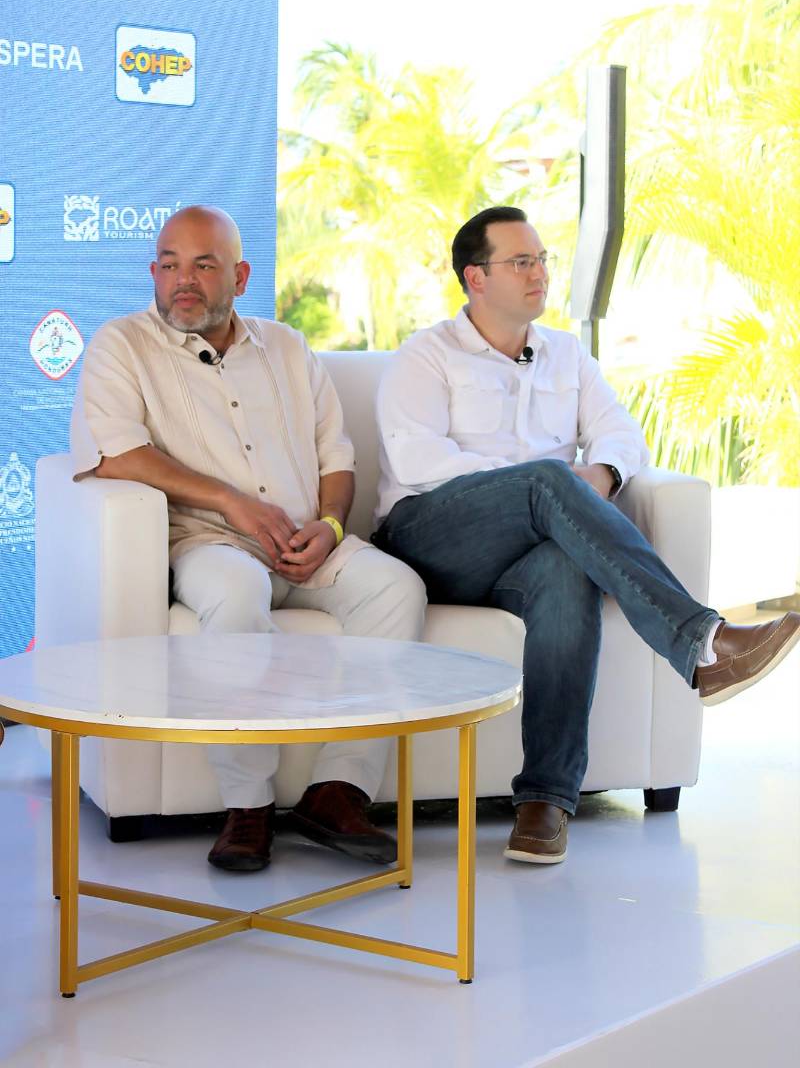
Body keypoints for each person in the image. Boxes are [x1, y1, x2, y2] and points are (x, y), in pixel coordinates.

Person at [372, 205, 800, 866]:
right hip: (431, 540)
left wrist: (597, 476)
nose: (540, 273)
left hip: (525, 554)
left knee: (567, 573)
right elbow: (418, 461)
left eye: (542, 259)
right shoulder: (425, 356)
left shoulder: (567, 355)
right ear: (475, 278)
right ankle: (702, 641)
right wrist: (541, 486)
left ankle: (545, 801)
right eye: (521, 261)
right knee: (546, 480)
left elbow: (621, 433)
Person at [71, 205, 426, 873]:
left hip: (306, 541)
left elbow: (337, 454)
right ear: (153, 272)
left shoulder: (287, 347)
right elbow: (116, 453)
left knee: (395, 587)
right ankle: (247, 806)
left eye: (203, 265)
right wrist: (232, 502)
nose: (183, 280)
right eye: (169, 264)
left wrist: (330, 525)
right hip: (211, 543)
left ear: (239, 276)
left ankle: (337, 792)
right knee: (235, 593)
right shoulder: (122, 345)